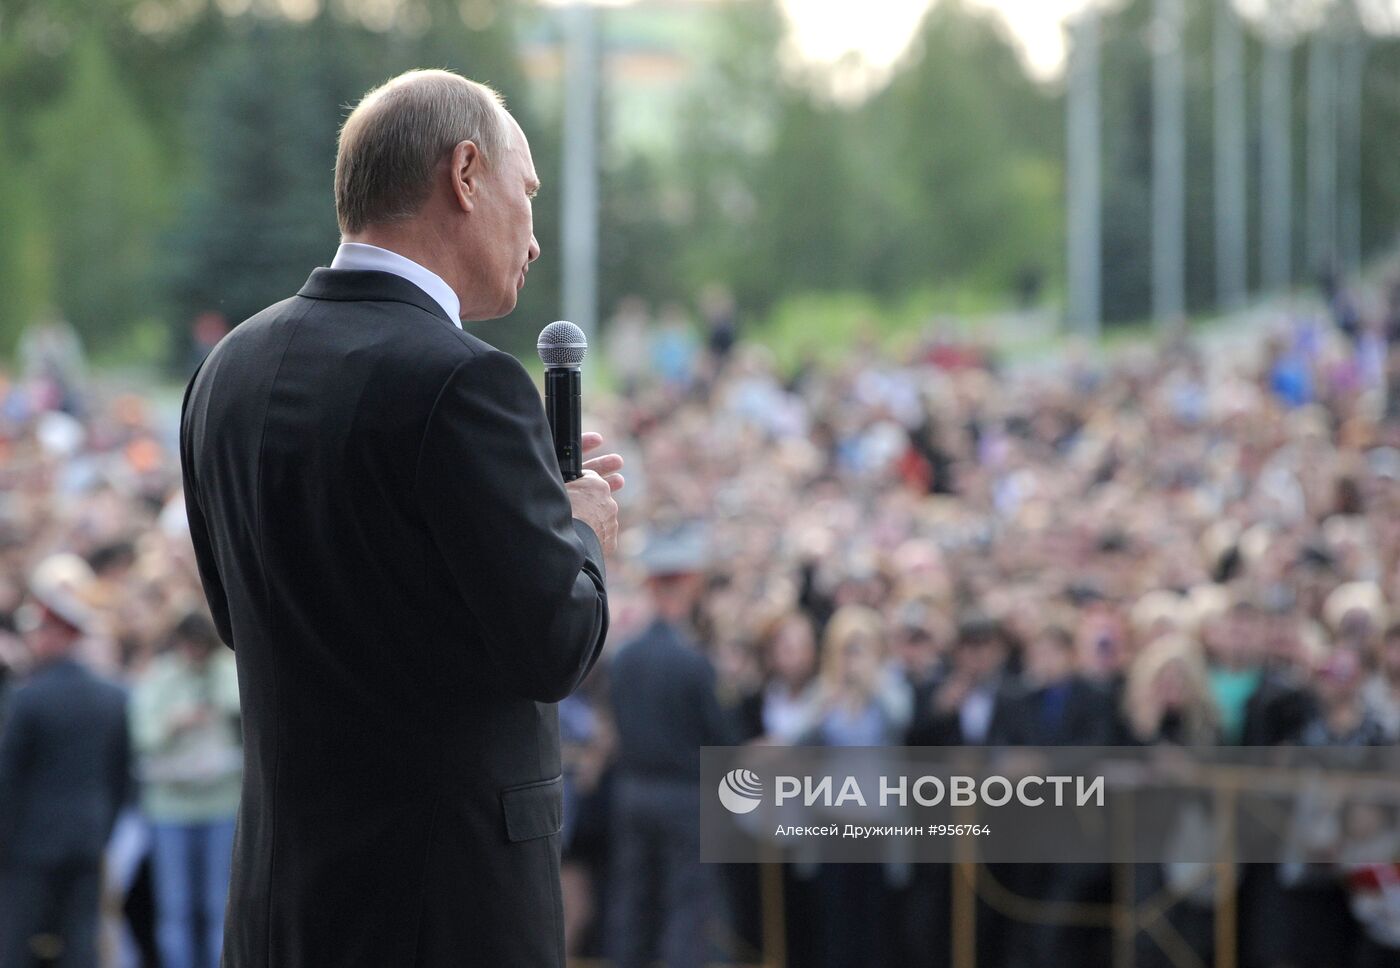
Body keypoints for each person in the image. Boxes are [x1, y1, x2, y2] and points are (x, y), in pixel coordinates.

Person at [179, 69, 622, 968]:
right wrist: (579, 529)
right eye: (526, 193)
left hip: (279, 902)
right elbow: (555, 644)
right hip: (442, 909)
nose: (533, 236)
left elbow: (242, 621)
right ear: (465, 174)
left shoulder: (228, 370)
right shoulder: (465, 381)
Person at [606, 522, 731, 968]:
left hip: (634, 791)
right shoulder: (692, 661)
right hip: (684, 795)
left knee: (633, 903)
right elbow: (718, 735)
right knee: (686, 907)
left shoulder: (625, 655)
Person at [0, 554, 130, 968]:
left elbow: (8, 775)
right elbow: (121, 775)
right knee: (80, 943)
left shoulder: (27, 698)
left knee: (17, 940)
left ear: (58, 633)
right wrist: (102, 826)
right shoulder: (112, 696)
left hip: (29, 842)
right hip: (89, 837)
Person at [130, 611, 241, 968]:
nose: (194, 655)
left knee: (218, 905)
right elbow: (141, 737)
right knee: (175, 907)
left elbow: (241, 709)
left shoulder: (225, 670)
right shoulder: (161, 677)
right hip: (170, 808)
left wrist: (219, 673)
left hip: (220, 803)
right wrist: (174, 723)